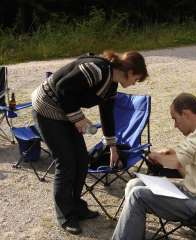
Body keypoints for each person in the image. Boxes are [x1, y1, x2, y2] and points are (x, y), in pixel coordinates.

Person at [31, 50, 148, 235]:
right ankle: (66, 215)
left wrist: (112, 147)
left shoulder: (111, 85)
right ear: (131, 72)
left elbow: (107, 115)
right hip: (47, 108)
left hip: (65, 112)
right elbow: (62, 88)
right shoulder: (96, 69)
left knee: (82, 159)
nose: (135, 83)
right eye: (137, 79)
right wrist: (78, 119)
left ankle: (76, 205)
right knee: (66, 162)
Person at [111, 93, 196, 240]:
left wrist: (157, 156)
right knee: (134, 184)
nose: (175, 125)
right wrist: (172, 154)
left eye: (175, 119)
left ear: (186, 114)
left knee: (138, 195)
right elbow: (187, 168)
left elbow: (177, 162)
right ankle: (132, 232)